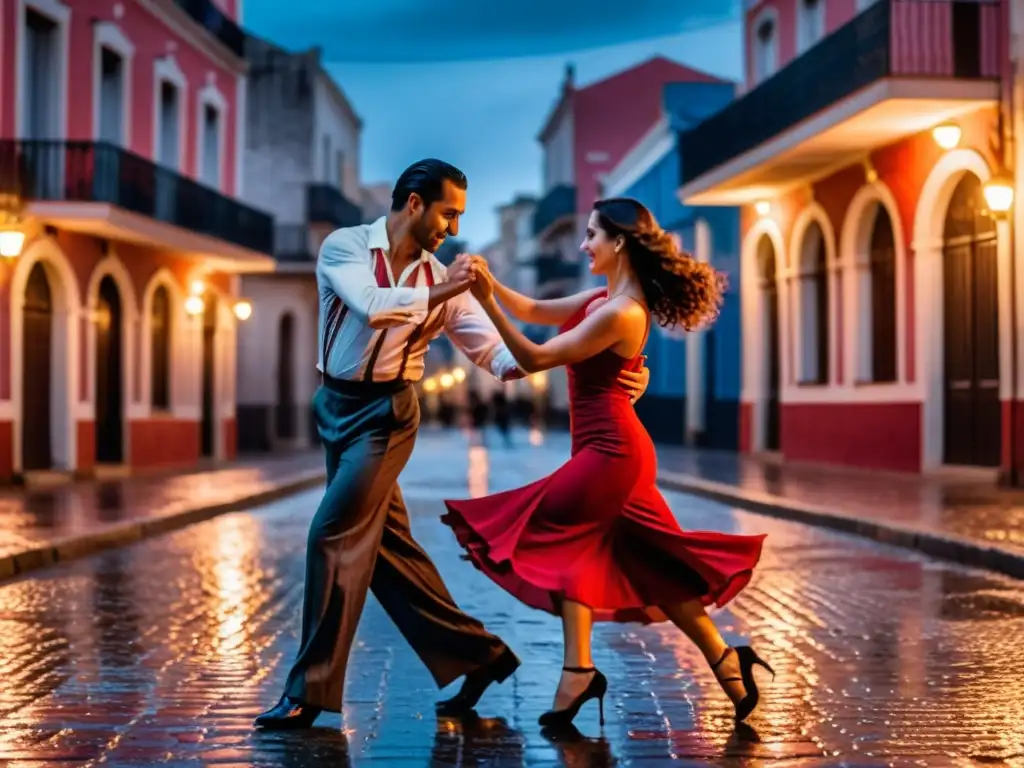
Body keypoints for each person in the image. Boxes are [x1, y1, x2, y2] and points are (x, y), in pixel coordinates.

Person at [254, 161, 651, 730]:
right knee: (389, 552)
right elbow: (374, 305)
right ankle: (480, 657)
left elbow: (504, 359)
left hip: (387, 416)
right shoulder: (344, 248)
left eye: (460, 216)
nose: (452, 226)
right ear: (413, 204)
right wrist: (450, 287)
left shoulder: (448, 285)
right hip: (333, 406)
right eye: (448, 213)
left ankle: (308, 692)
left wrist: (618, 367)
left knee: (333, 534)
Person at [442, 198, 771, 729]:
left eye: (592, 234)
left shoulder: (622, 312)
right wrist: (490, 284)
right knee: (654, 564)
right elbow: (531, 309)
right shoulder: (602, 299)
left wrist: (485, 302)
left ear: (618, 242)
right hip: (609, 450)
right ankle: (725, 659)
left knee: (558, 534)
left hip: (610, 454)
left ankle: (578, 669)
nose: (583, 243)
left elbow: (537, 358)